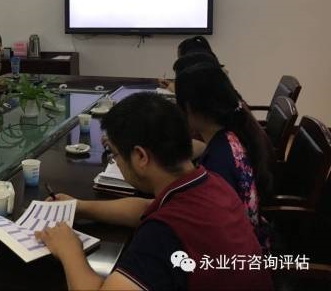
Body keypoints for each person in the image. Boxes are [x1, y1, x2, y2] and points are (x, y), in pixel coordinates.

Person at [35, 93, 271, 290]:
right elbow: (143, 209)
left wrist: (69, 249)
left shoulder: (163, 233)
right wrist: (79, 206)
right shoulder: (212, 182)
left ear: (140, 156)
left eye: (115, 154)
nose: (116, 162)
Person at [175, 61, 274, 250]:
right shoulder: (232, 136)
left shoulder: (218, 164)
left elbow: (211, 233)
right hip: (253, 239)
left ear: (188, 108)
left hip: (236, 256)